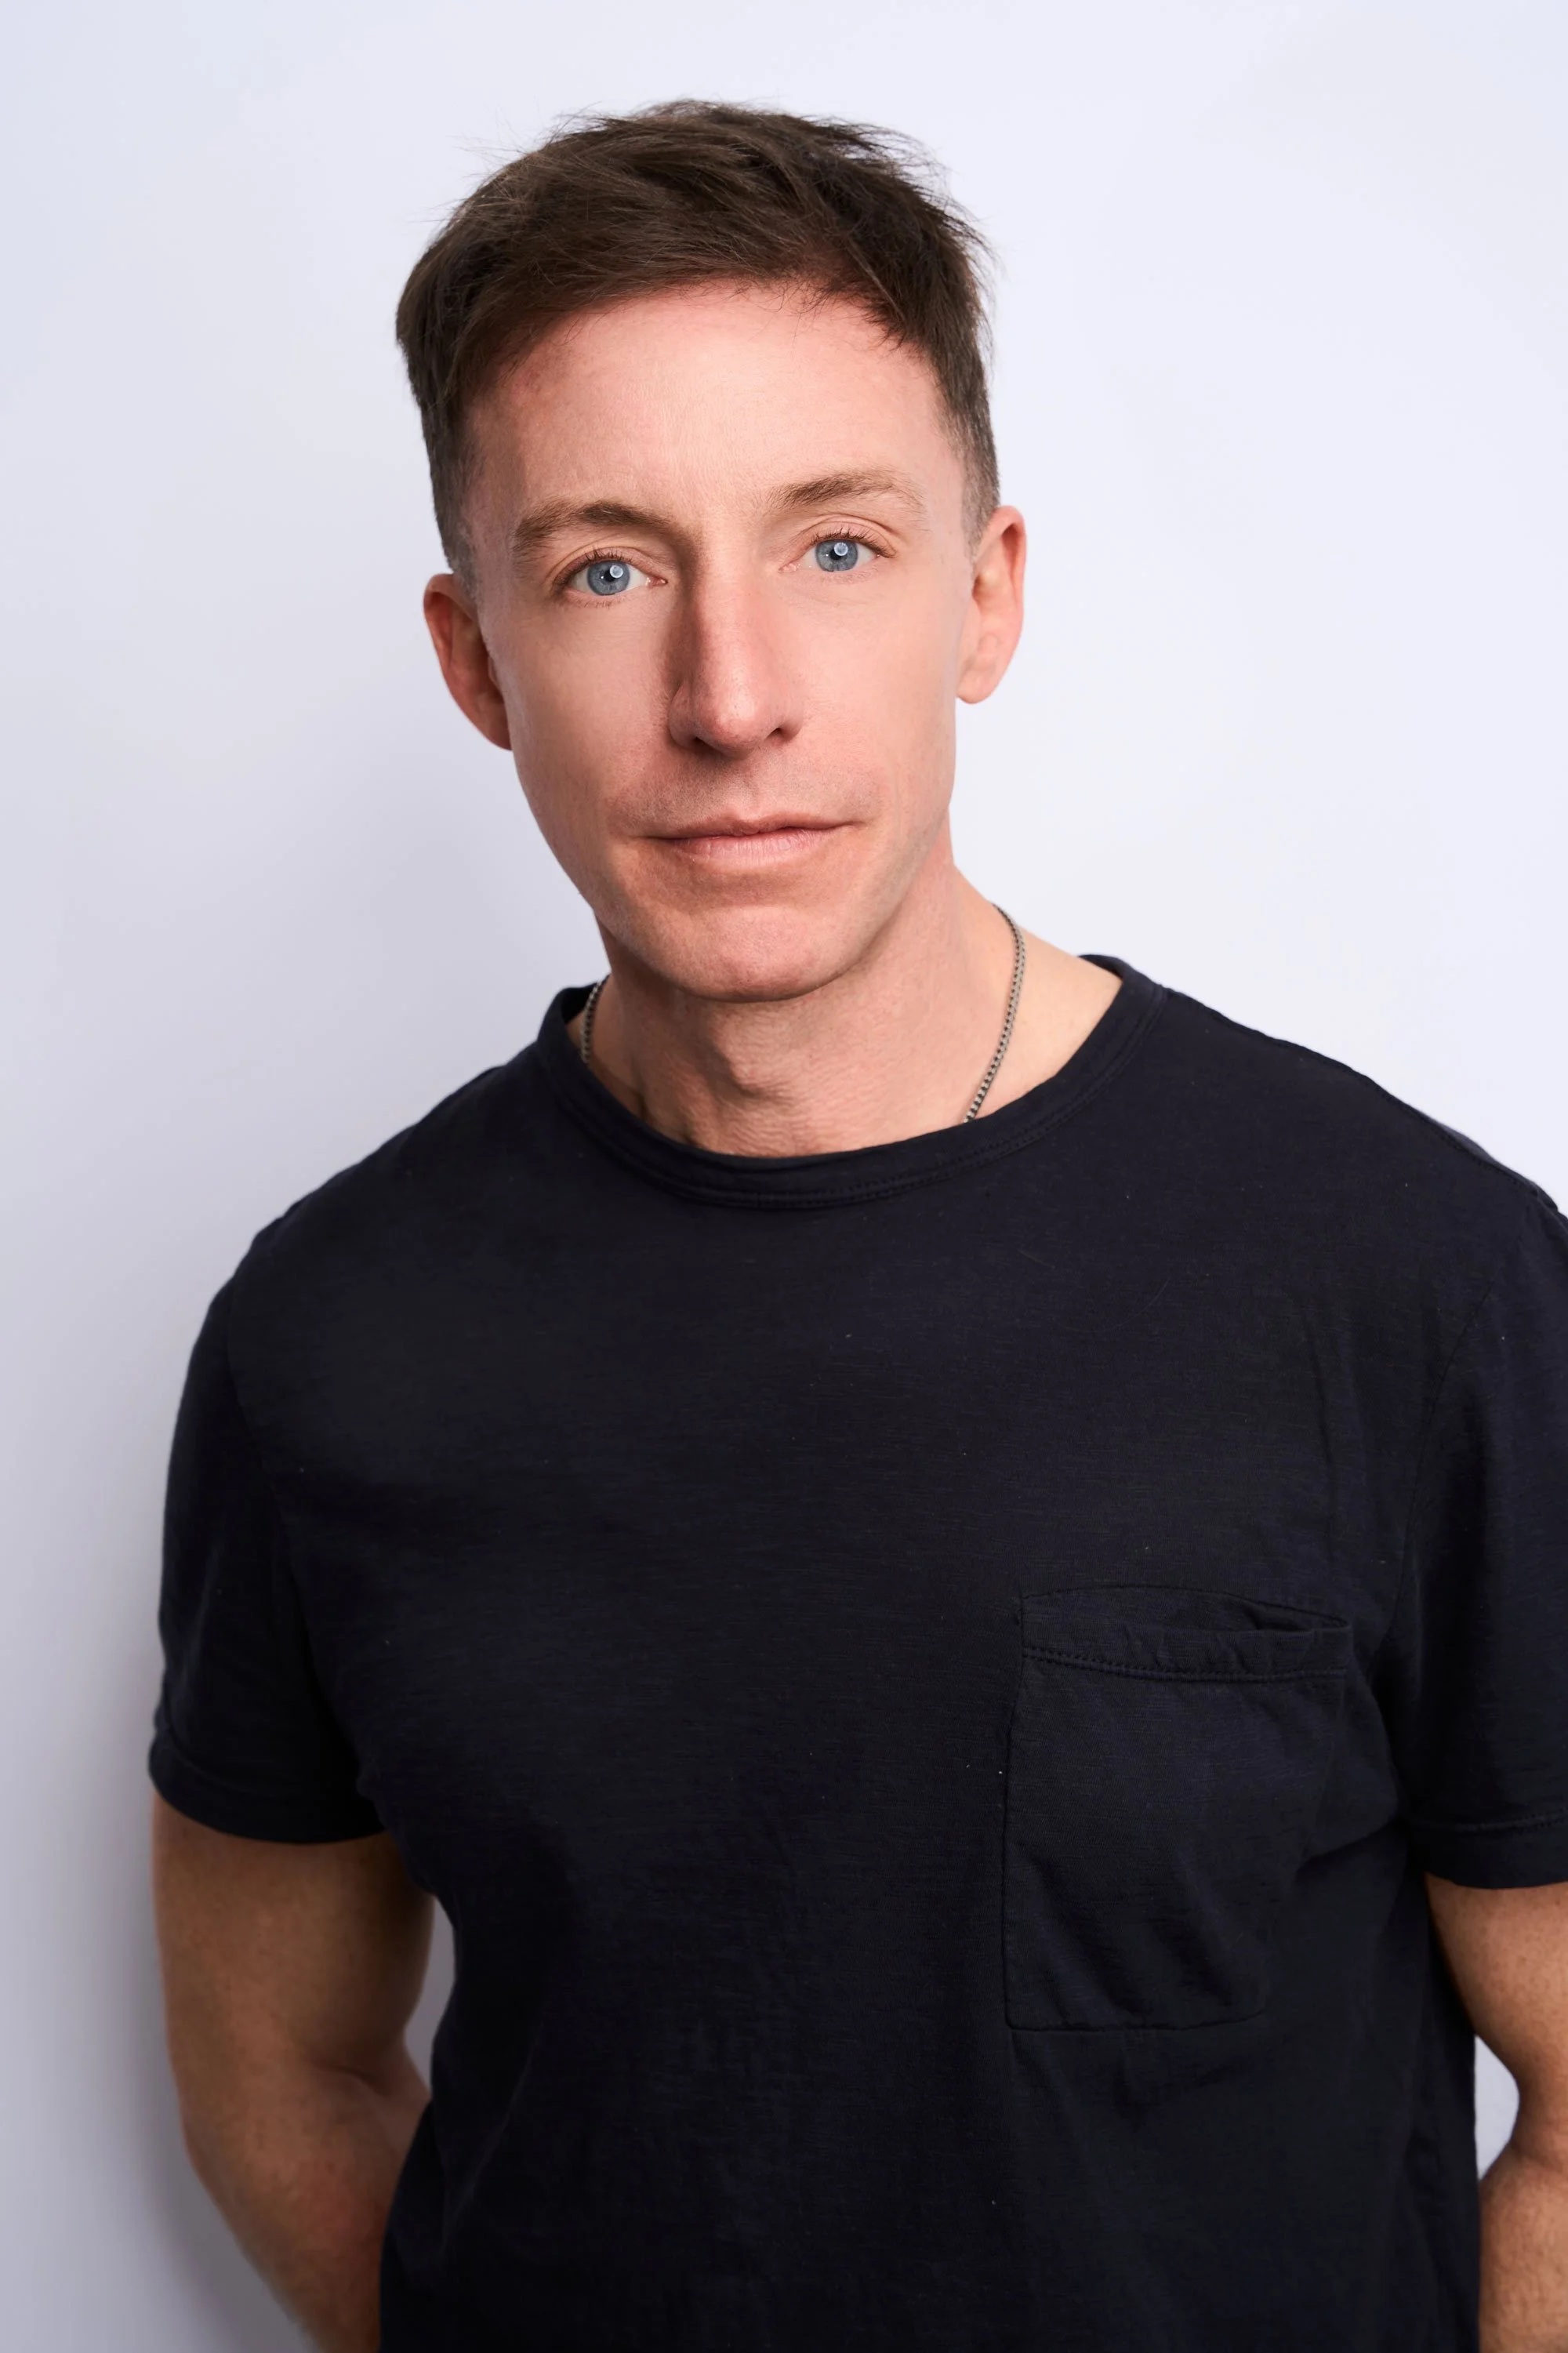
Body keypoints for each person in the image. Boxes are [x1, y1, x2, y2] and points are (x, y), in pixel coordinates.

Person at [148, 100, 1568, 2353]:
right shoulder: (329, 1342)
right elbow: (287, 2076)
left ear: (984, 595)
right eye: (606, 570)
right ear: (475, 658)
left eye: (835, 546)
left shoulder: (1415, 1282)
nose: (733, 700)